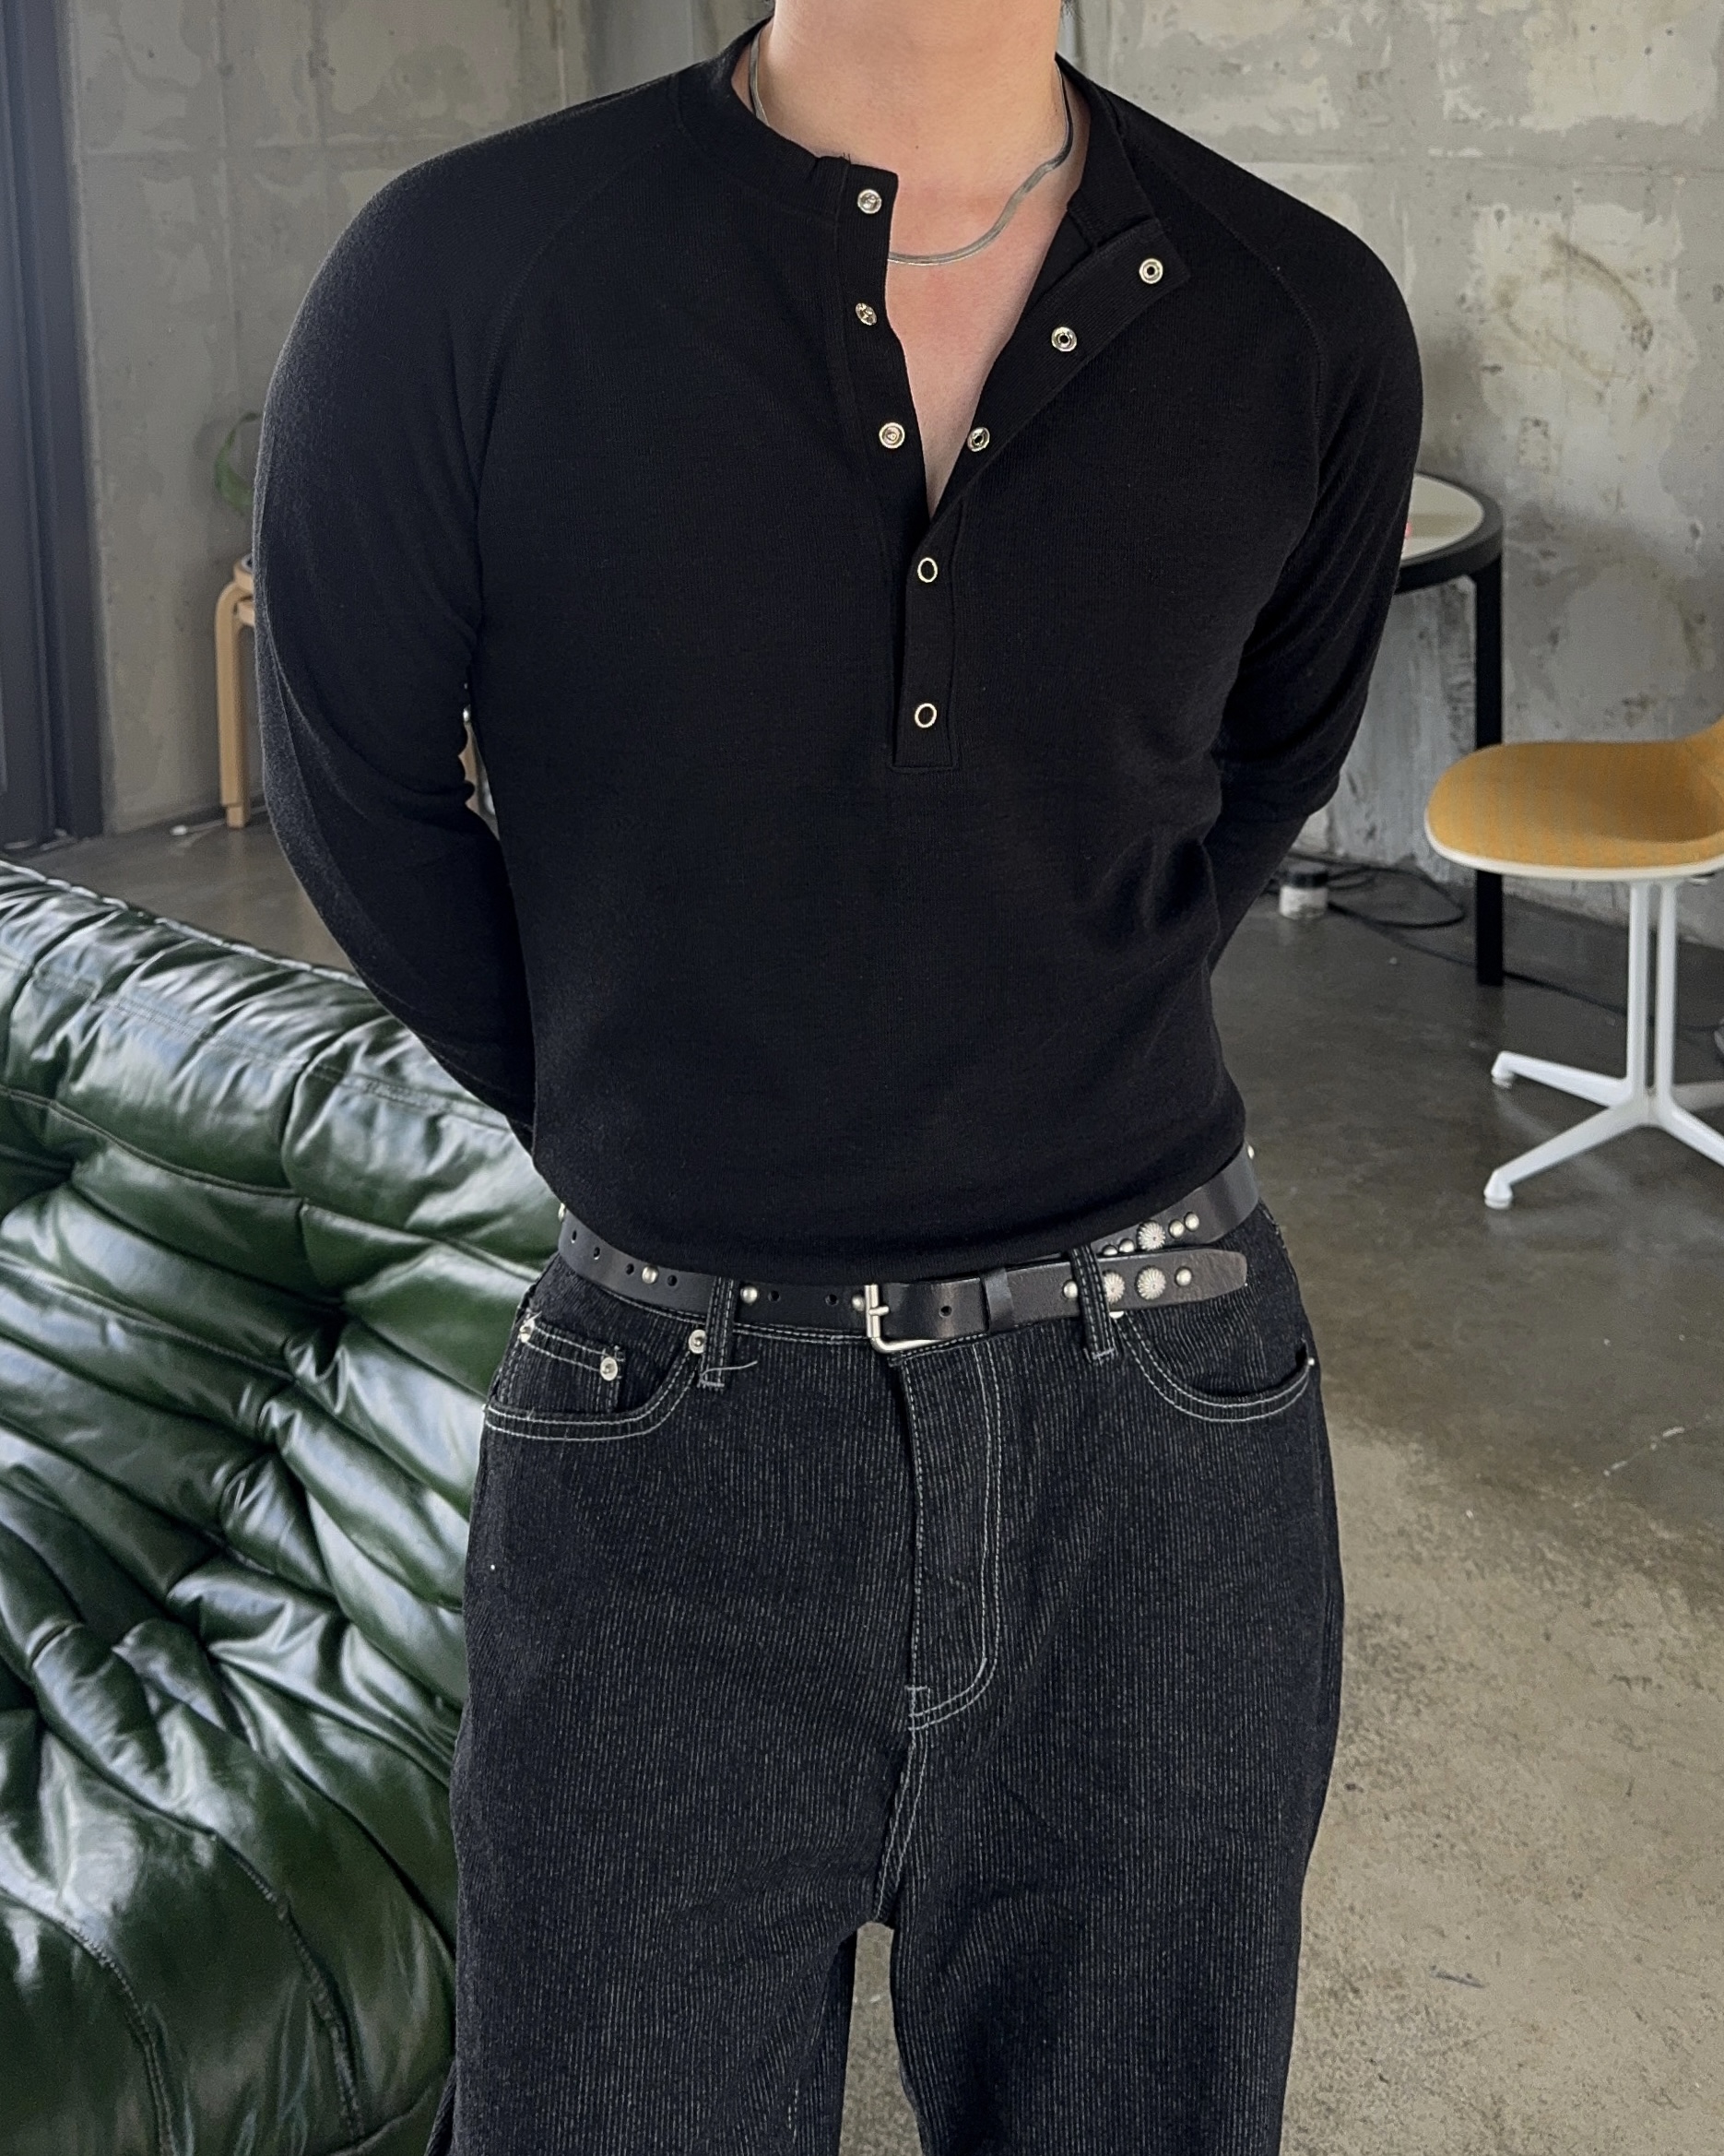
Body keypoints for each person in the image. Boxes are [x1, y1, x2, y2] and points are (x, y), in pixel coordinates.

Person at [254, 2, 1423, 2149]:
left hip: (1163, 1438)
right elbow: (357, 788)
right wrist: (631, 1100)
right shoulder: (466, 271)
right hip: (660, 1436)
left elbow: (1251, 782)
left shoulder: (1299, 318)